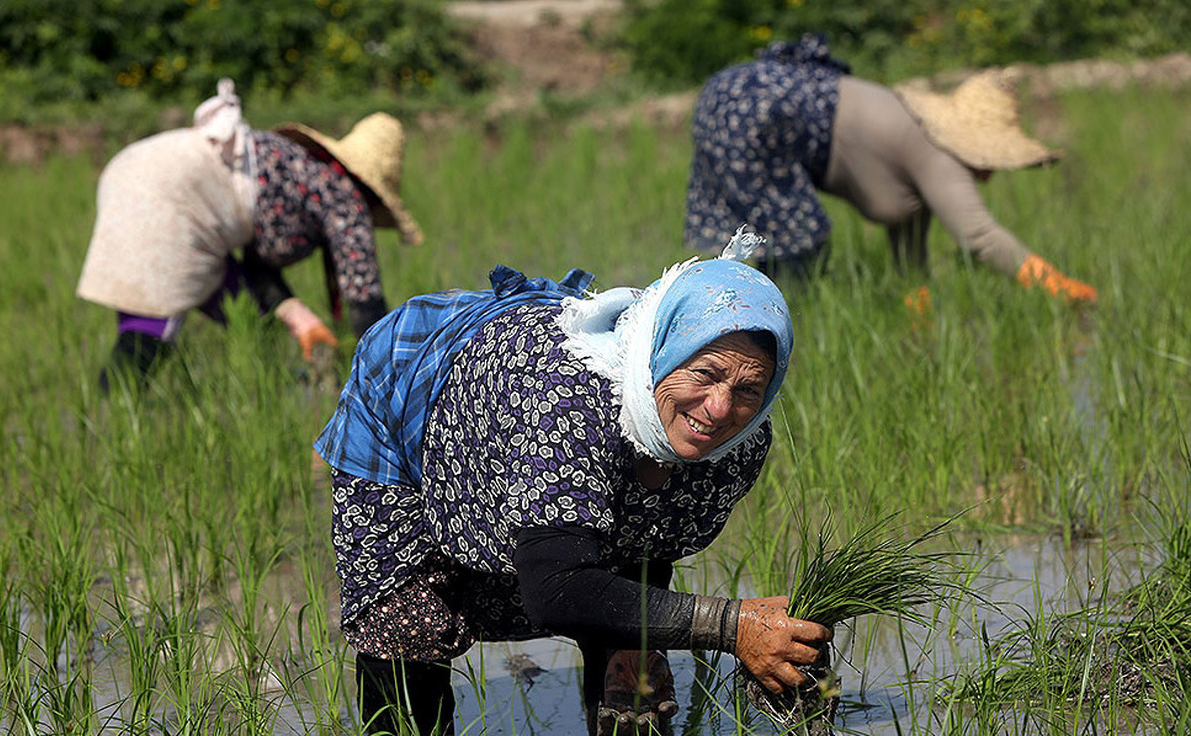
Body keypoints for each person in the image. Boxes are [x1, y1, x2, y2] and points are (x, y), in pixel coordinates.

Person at [313, 228, 833, 736]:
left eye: (748, 389)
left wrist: (633, 639)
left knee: (632, 681)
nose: (719, 408)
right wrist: (730, 626)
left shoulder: (739, 443)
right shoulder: (567, 408)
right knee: (407, 626)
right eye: (704, 374)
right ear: (661, 354)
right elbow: (556, 587)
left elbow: (651, 533)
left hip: (547, 460)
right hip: (414, 400)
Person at [684, 33, 1098, 304]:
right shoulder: (939, 153)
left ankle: (739, 317)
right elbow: (979, 238)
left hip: (734, 96)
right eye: (988, 159)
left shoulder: (918, 141)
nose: (989, 173)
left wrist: (917, 307)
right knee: (801, 245)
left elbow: (909, 236)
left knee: (768, 244)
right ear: (973, 146)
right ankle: (764, 336)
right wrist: (1062, 288)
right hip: (758, 112)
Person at [76, 79, 423, 393]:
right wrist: (385, 379)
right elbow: (366, 307)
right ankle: (115, 410)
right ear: (373, 190)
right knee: (152, 323)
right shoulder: (343, 199)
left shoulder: (304, 168)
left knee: (252, 320)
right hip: (167, 195)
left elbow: (256, 268)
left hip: (135, 167)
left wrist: (299, 318)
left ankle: (264, 395)